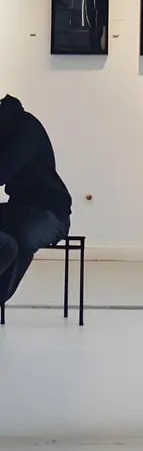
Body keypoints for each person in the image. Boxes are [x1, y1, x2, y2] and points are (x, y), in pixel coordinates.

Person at [0, 95, 72, 307]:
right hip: (17, 208)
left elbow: (3, 170)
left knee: (22, 237)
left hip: (50, 213)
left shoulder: (25, 127)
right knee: (10, 238)